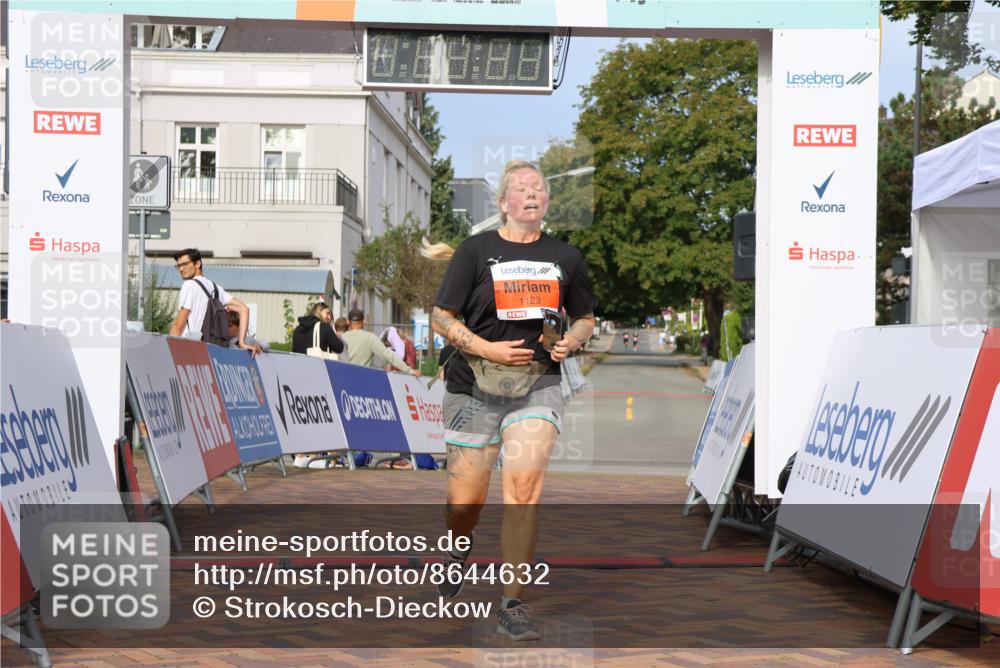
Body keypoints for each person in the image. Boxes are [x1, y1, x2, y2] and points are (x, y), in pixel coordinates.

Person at [431, 160, 597, 641]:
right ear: (504, 203)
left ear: (546, 201)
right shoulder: (475, 251)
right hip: (473, 385)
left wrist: (574, 341)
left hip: (537, 384)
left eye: (539, 188)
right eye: (521, 188)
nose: (532, 193)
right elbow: (442, 317)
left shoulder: (566, 256)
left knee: (523, 489)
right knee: (465, 503)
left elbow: (585, 317)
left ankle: (512, 603)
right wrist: (484, 347)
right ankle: (458, 545)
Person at [169, 248, 257, 356]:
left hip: (189, 350)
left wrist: (169, 349)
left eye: (185, 264)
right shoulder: (216, 288)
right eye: (178, 266)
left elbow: (179, 324)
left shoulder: (189, 285)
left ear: (197, 264)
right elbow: (244, 309)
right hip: (210, 352)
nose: (181, 269)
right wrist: (242, 342)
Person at [340, 309, 421, 376]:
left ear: (348, 322)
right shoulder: (370, 338)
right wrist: (410, 370)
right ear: (363, 322)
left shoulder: (342, 338)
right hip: (363, 379)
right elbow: (388, 356)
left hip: (344, 377)